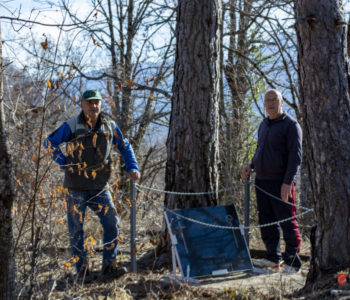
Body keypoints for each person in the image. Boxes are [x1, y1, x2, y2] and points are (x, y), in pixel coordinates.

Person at [44, 89, 140, 280]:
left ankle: (109, 267)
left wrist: (132, 166)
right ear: (82, 104)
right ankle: (82, 271)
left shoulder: (109, 125)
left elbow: (125, 146)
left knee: (112, 223)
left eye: (97, 102)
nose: (93, 106)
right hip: (76, 187)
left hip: (100, 186)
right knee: (76, 230)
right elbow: (50, 142)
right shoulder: (72, 125)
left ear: (100, 105)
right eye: (89, 102)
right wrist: (63, 161)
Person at [242, 89, 302, 274]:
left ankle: (293, 263)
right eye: (267, 100)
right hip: (262, 181)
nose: (270, 103)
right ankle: (272, 259)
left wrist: (287, 182)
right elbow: (260, 150)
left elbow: (296, 157)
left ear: (281, 102)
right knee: (267, 221)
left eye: (274, 100)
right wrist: (251, 166)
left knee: (287, 222)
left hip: (281, 182)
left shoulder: (291, 125)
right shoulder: (264, 124)